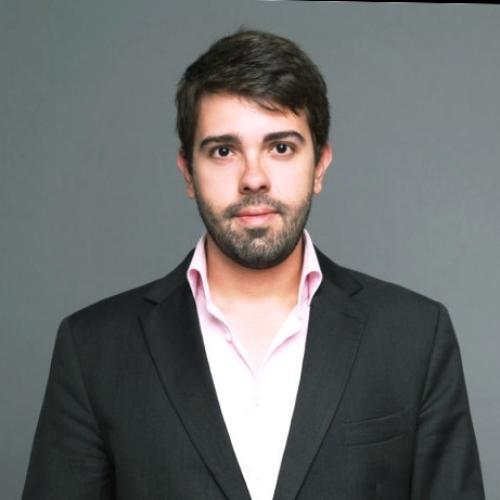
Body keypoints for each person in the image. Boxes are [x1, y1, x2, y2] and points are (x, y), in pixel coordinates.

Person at [23, 29, 485, 500]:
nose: (253, 178)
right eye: (223, 151)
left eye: (280, 147)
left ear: (320, 165)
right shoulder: (94, 350)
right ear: (188, 172)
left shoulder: (415, 336)